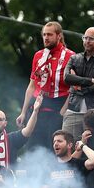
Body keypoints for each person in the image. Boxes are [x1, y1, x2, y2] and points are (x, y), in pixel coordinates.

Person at [17, 21, 73, 150]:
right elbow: (31, 85)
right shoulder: (38, 55)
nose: (46, 38)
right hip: (38, 105)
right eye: (44, 35)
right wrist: (23, 112)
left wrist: (63, 111)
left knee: (54, 147)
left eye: (49, 34)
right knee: (32, 146)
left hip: (58, 105)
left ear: (58, 36)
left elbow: (73, 88)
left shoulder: (71, 56)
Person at [64, 27, 94, 139]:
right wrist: (89, 81)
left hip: (93, 112)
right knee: (68, 144)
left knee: (93, 147)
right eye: (85, 38)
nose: (87, 41)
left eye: (91, 38)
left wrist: (81, 88)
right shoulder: (74, 58)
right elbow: (66, 78)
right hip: (73, 108)